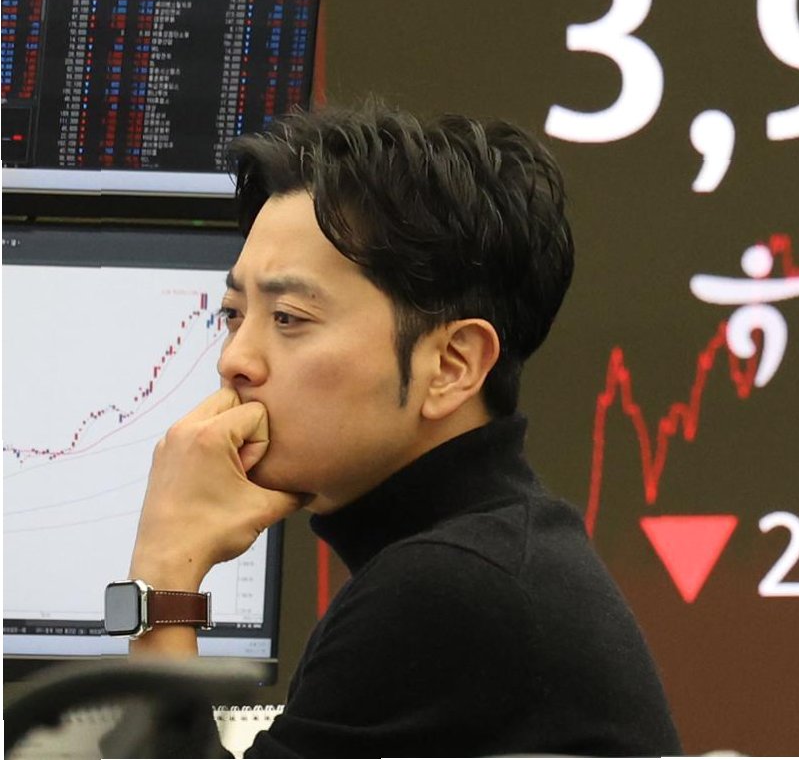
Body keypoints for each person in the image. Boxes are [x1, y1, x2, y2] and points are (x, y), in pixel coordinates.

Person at [120, 103, 682, 757]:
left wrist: (164, 573)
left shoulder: (450, 589)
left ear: (452, 366)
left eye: (289, 318)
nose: (235, 360)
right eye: (233, 313)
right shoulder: (479, 555)